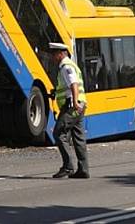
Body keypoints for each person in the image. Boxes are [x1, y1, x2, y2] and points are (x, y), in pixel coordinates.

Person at [48, 42, 89, 179]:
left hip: (72, 105)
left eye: (54, 54)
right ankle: (83, 169)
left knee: (58, 133)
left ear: (60, 54)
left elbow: (74, 84)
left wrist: (75, 102)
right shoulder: (71, 65)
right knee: (78, 137)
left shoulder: (65, 66)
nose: (52, 58)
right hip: (80, 105)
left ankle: (68, 167)